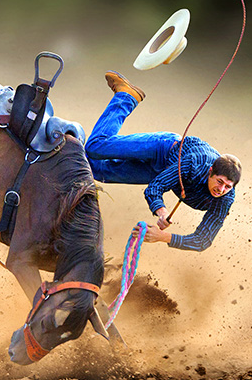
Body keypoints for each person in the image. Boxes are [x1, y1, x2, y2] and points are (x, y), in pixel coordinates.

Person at [85, 71, 241, 251]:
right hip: (163, 149)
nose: (220, 190)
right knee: (96, 147)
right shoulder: (194, 164)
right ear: (210, 171)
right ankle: (127, 96)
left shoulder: (225, 199)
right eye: (219, 182)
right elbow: (155, 188)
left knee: (98, 171)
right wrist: (162, 211)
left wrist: (162, 237)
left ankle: (67, 152)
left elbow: (202, 241)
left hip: (162, 172)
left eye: (228, 186)